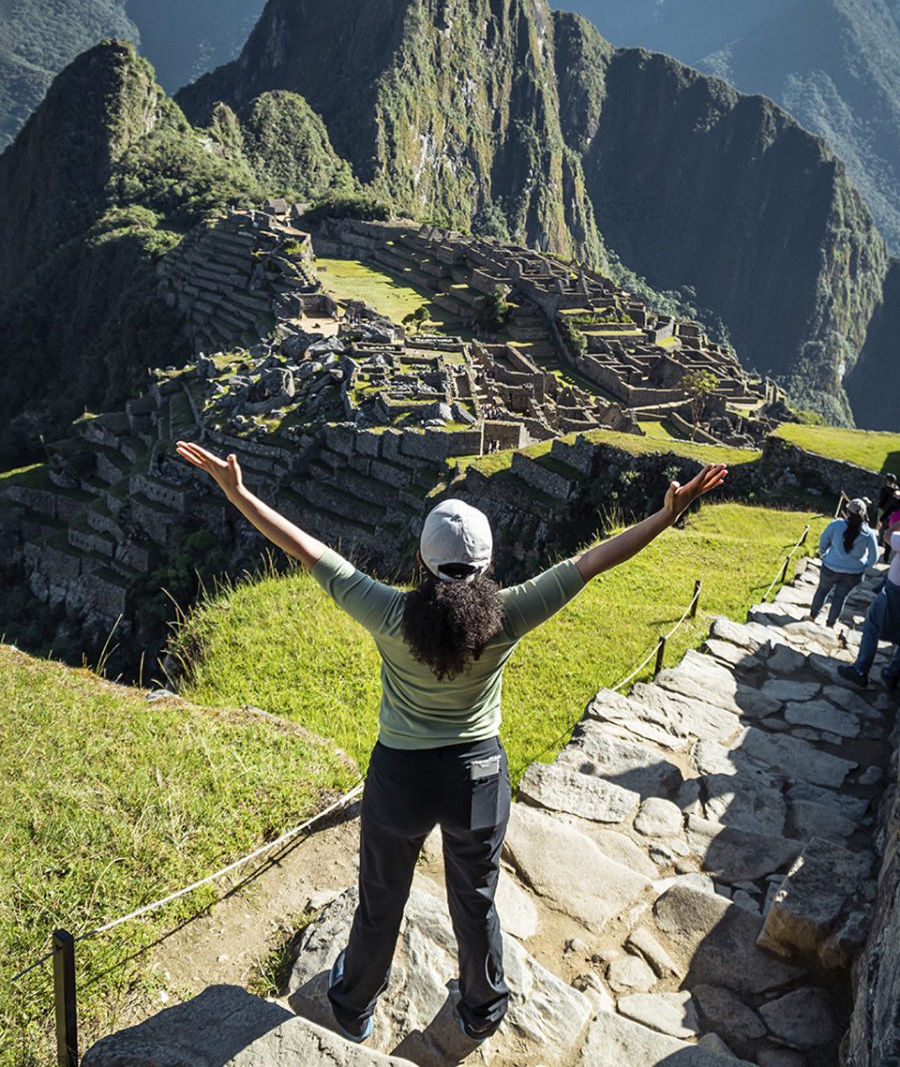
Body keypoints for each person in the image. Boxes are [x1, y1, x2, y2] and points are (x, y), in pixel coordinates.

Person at [175, 439, 726, 1042]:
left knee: (381, 897)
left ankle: (355, 1004)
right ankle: (481, 1006)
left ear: (420, 558)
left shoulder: (386, 612)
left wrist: (239, 492)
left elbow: (306, 548)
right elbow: (594, 560)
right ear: (488, 567)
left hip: (401, 779)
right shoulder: (508, 615)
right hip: (478, 779)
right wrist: (666, 514)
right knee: (477, 899)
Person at [838, 521, 900, 692]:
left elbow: (887, 536)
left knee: (872, 624)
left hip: (895, 592)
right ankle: (893, 673)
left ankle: (860, 669)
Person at [807, 499, 879, 629]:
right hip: (853, 573)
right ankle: (830, 624)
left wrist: (824, 555)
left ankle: (812, 615)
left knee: (822, 591)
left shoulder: (836, 525)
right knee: (840, 598)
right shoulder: (868, 533)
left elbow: (823, 541)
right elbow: (874, 557)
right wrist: (864, 566)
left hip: (831, 567)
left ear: (847, 512)